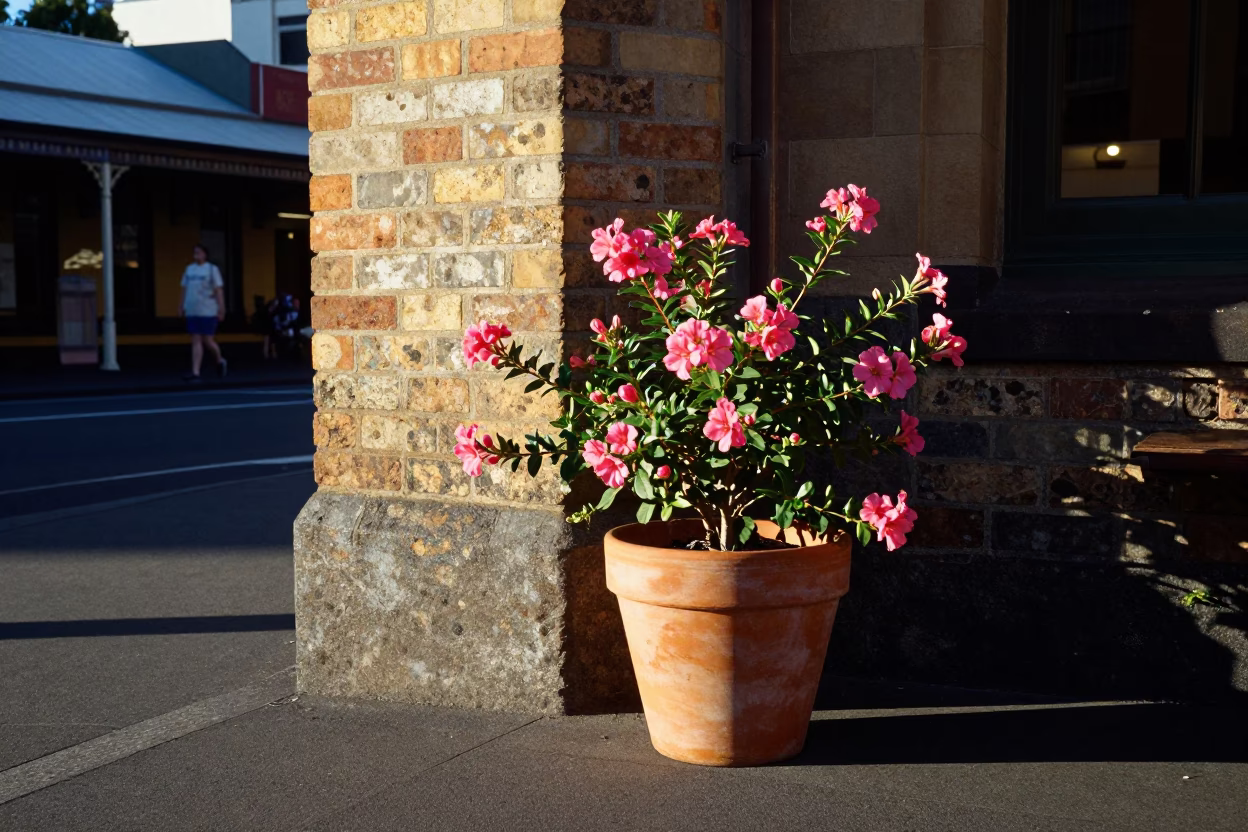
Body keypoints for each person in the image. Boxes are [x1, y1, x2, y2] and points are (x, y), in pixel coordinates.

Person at [179, 244, 227, 381]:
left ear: (205, 254)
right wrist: (181, 305)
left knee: (207, 340)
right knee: (195, 339)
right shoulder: (189, 269)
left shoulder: (212, 270)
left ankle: (219, 360)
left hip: (208, 309)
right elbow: (184, 288)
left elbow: (218, 290)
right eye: (195, 252)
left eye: (199, 252)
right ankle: (195, 372)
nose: (196, 254)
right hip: (192, 309)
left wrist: (221, 308)